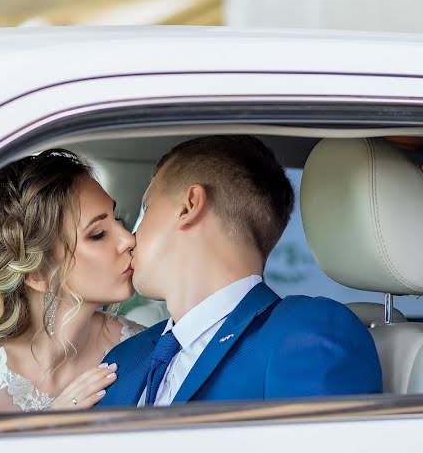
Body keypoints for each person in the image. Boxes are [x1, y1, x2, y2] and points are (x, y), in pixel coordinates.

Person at [98, 136, 382, 407]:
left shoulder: (306, 333)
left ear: (189, 206)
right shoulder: (123, 357)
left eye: (145, 209)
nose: (129, 238)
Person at [0, 149, 144, 415]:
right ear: (37, 274)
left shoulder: (140, 348)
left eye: (117, 219)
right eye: (97, 234)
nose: (128, 239)